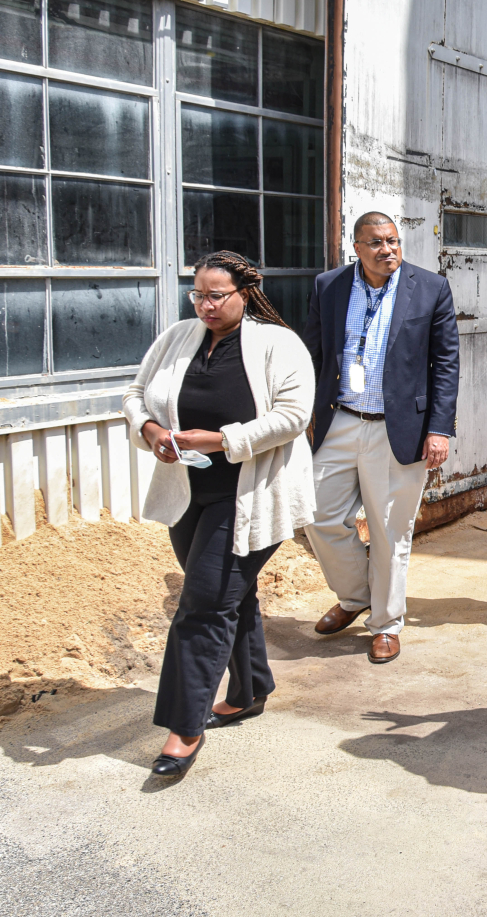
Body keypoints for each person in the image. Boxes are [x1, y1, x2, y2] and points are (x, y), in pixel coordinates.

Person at [124, 251, 315, 779]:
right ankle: (251, 689)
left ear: (244, 294)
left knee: (204, 604)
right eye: (197, 294)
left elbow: (295, 415)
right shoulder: (178, 337)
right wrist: (150, 431)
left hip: (252, 495)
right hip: (189, 492)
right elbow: (137, 394)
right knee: (231, 593)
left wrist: (223, 439)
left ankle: (184, 730)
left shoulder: (278, 343)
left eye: (216, 295)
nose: (204, 305)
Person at [303, 212, 459, 665]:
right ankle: (356, 597)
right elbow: (312, 354)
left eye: (393, 241)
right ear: (357, 247)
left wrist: (439, 428)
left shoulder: (430, 287)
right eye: (375, 243)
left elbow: (445, 363)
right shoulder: (328, 286)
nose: (387, 250)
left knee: (391, 531)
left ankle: (386, 623)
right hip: (340, 420)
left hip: (400, 428)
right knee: (317, 515)